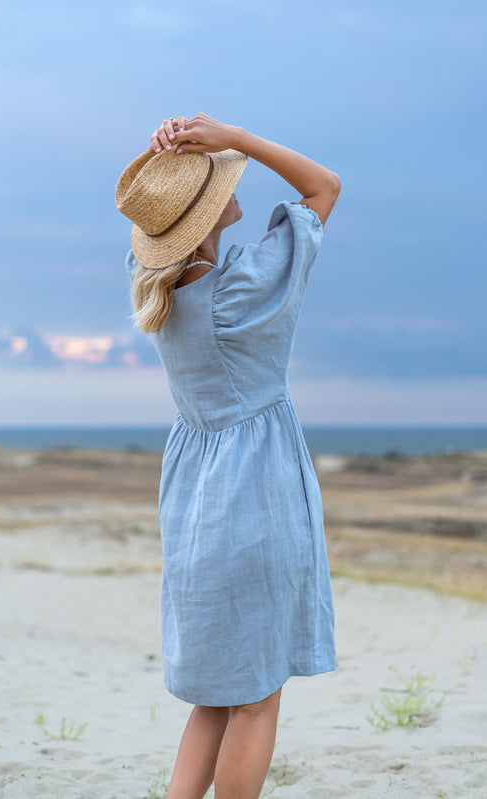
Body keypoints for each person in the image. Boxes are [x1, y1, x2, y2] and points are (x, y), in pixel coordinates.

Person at [115, 112, 341, 799]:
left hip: (193, 507)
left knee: (216, 693)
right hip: (256, 497)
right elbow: (323, 187)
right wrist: (237, 139)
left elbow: (156, 236)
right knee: (256, 696)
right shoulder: (238, 292)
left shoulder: (156, 287)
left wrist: (169, 164)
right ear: (205, 212)